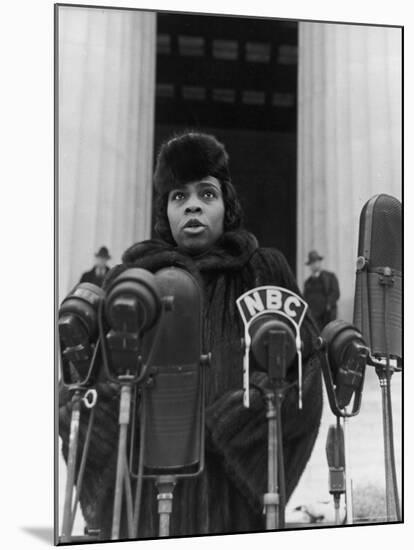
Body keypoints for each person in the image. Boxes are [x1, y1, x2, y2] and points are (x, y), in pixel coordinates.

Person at [59, 132, 323, 540]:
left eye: (207, 193)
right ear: (165, 211)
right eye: (179, 197)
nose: (194, 205)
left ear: (226, 204)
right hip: (142, 497)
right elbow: (84, 391)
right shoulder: (132, 279)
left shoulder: (262, 272)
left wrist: (227, 421)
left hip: (231, 501)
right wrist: (119, 409)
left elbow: (302, 374)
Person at [303, 250, 340, 330]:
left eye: (316, 262)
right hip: (313, 317)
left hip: (327, 315)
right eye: (312, 263)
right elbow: (305, 298)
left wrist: (328, 304)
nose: (314, 265)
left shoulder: (330, 277)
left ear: (319, 262)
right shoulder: (308, 282)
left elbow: (335, 293)